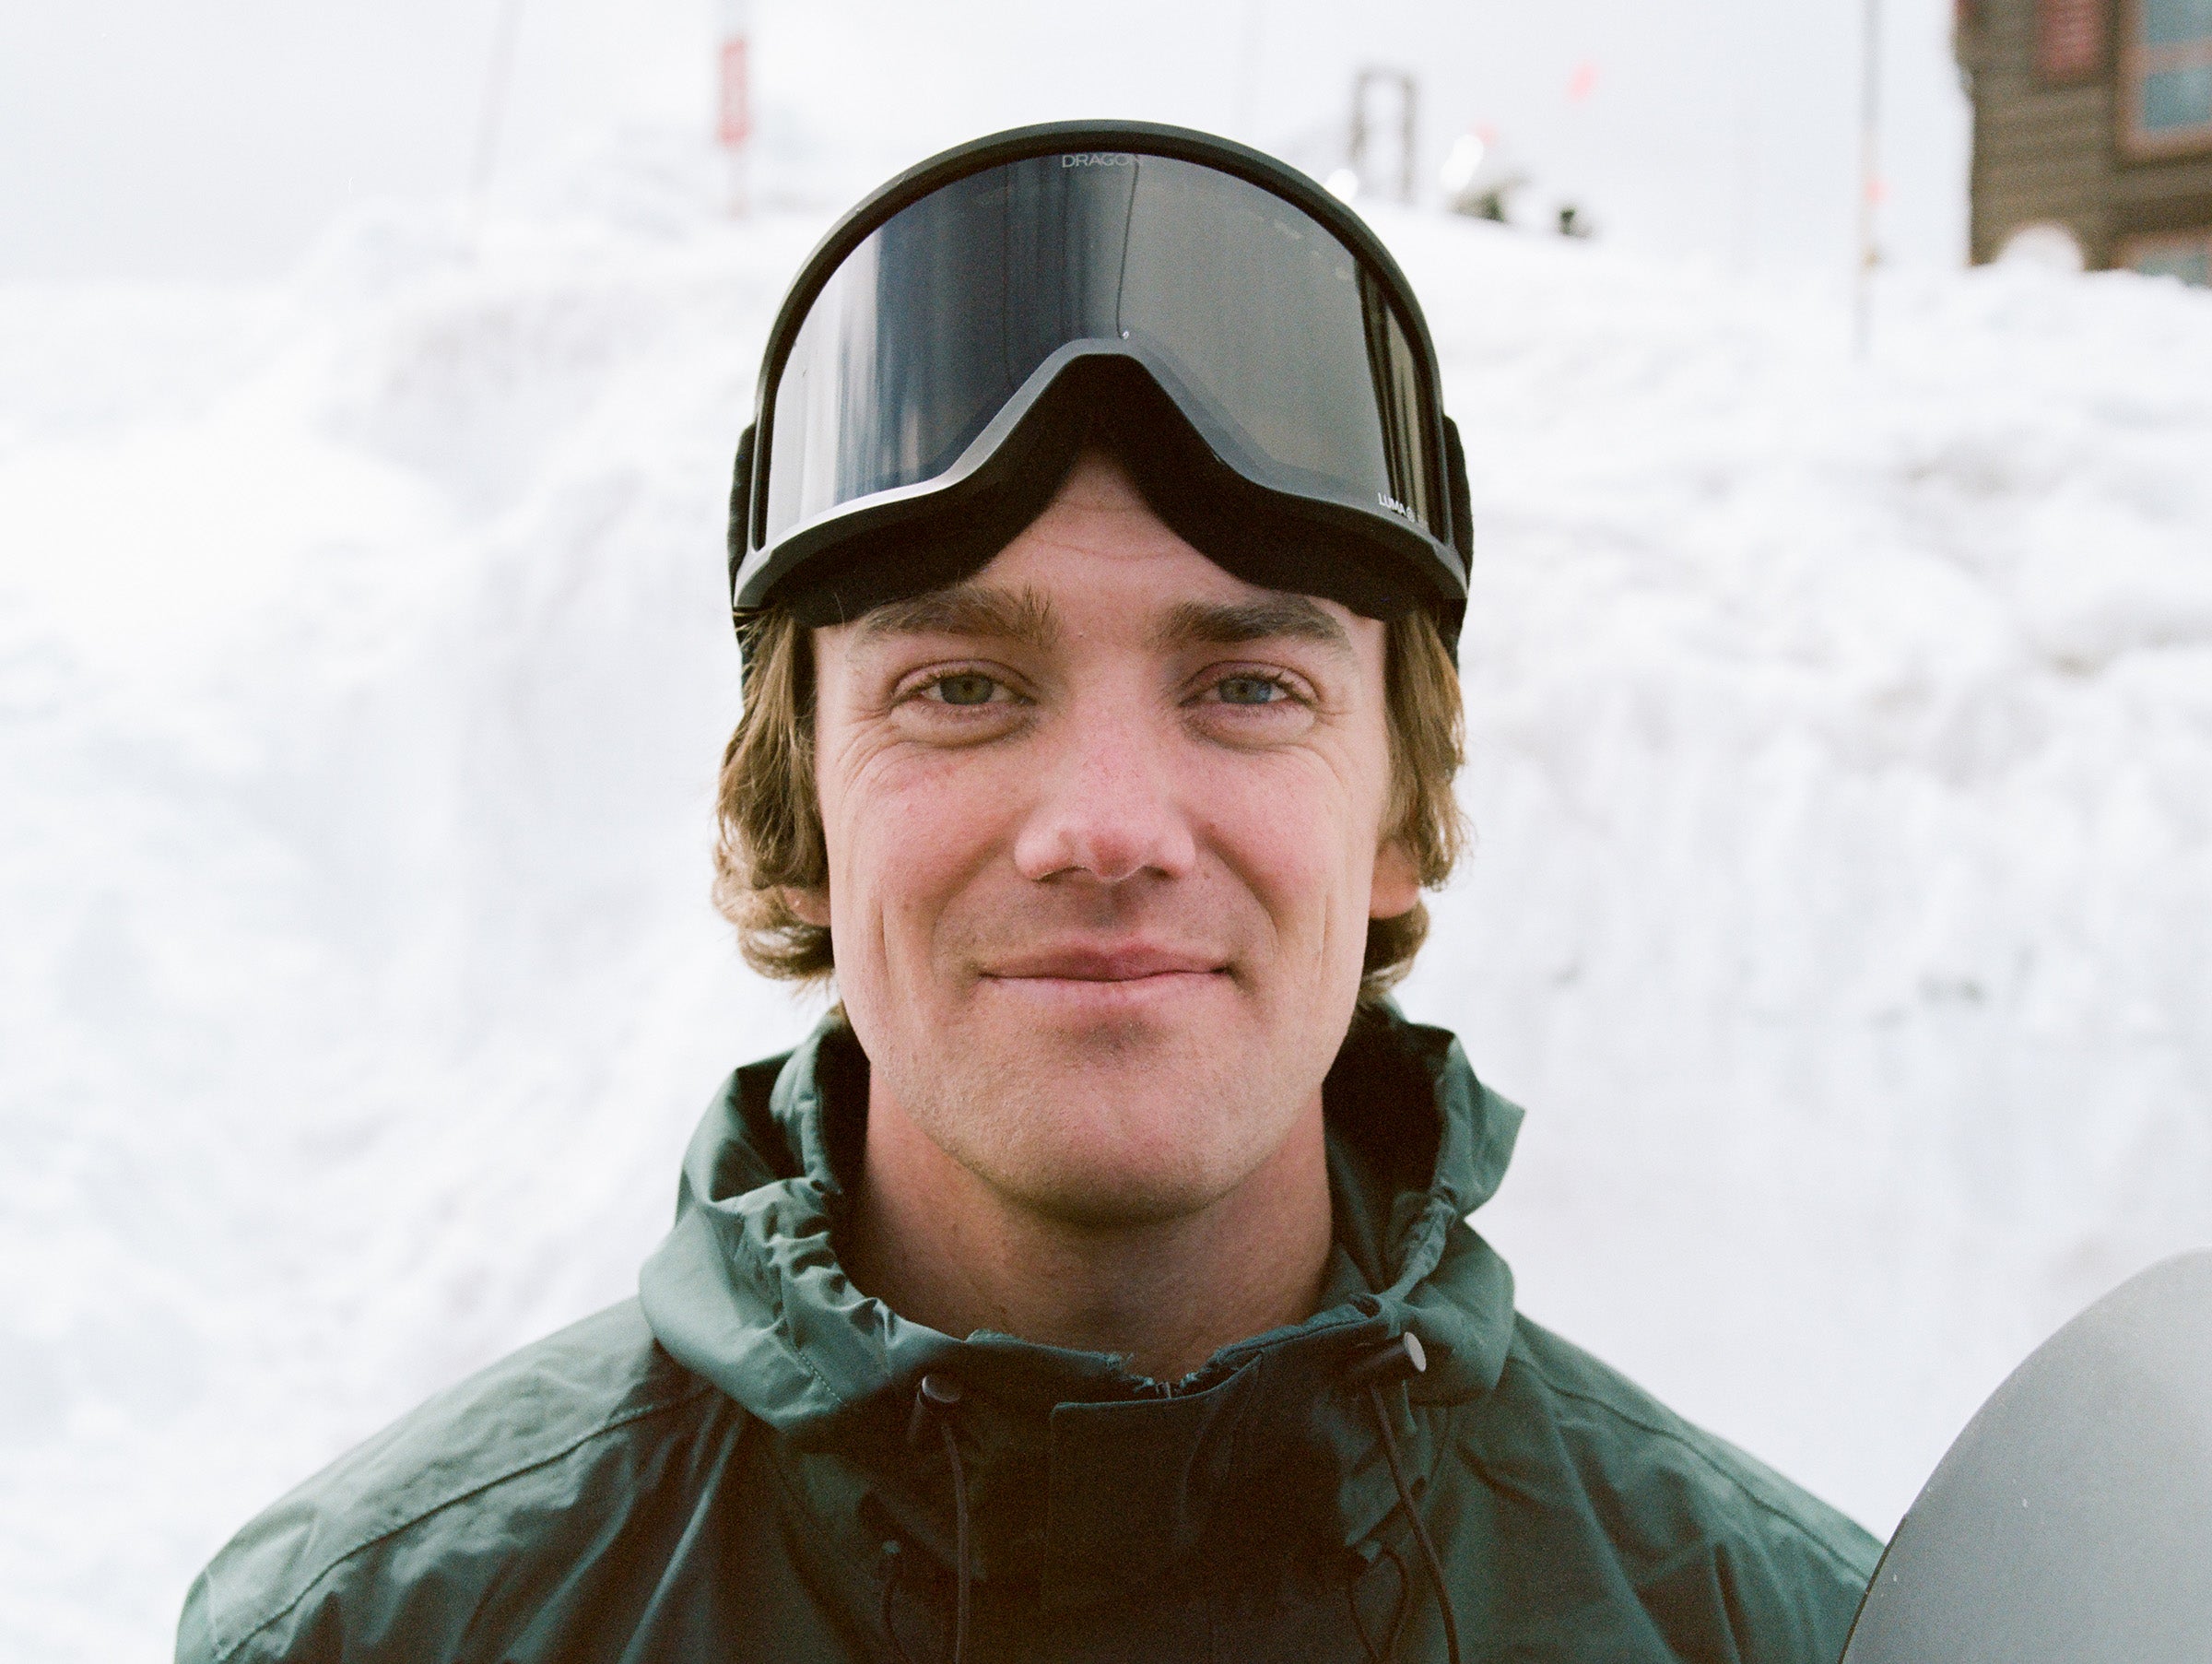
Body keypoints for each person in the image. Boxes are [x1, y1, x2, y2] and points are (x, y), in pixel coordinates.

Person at [179, 122, 1879, 1664]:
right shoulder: (384, 1635)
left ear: (1399, 813)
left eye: (1248, 686)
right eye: (964, 688)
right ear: (805, 811)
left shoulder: (1793, 1639)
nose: (1107, 826)